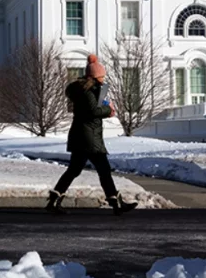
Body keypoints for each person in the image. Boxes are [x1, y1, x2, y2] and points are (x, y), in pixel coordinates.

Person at [46, 54, 138, 216]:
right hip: (89, 138)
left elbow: (91, 111)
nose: (104, 78)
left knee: (74, 170)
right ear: (95, 77)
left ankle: (54, 200)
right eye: (102, 76)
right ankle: (116, 204)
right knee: (103, 170)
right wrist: (108, 110)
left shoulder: (86, 90)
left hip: (83, 135)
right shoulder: (88, 92)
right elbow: (93, 111)